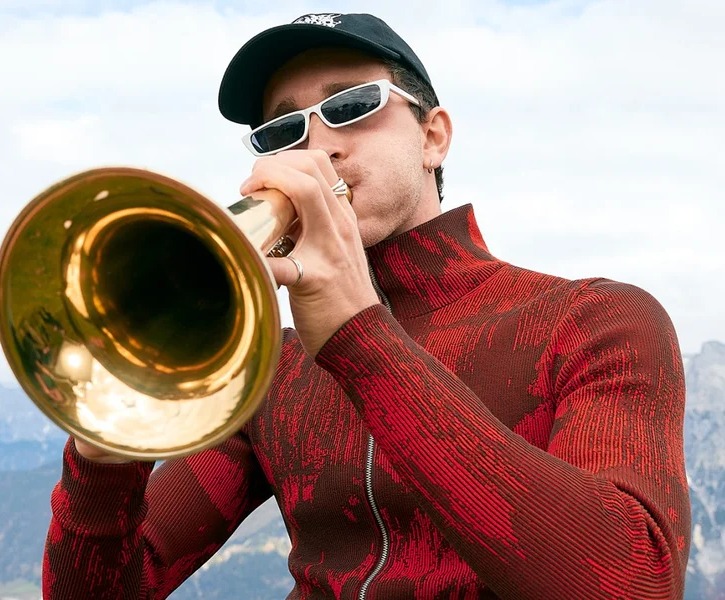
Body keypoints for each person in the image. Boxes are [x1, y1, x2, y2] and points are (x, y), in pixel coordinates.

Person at [41, 12, 691, 600]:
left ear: (434, 137)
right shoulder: (273, 373)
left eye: (353, 104)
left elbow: (630, 582)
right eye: (283, 129)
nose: (318, 145)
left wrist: (360, 337)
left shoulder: (596, 321)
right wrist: (110, 440)